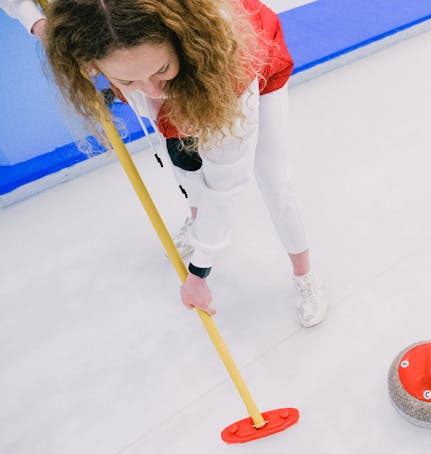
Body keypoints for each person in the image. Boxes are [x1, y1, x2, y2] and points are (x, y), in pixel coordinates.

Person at [40, 0, 327, 327]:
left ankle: (305, 274)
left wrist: (199, 273)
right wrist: (36, 22)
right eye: (129, 81)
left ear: (177, 38)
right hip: (180, 73)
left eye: (160, 70)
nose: (151, 90)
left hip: (246, 66)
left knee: (273, 178)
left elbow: (226, 181)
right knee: (184, 162)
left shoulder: (228, 64)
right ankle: (196, 221)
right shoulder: (113, 47)